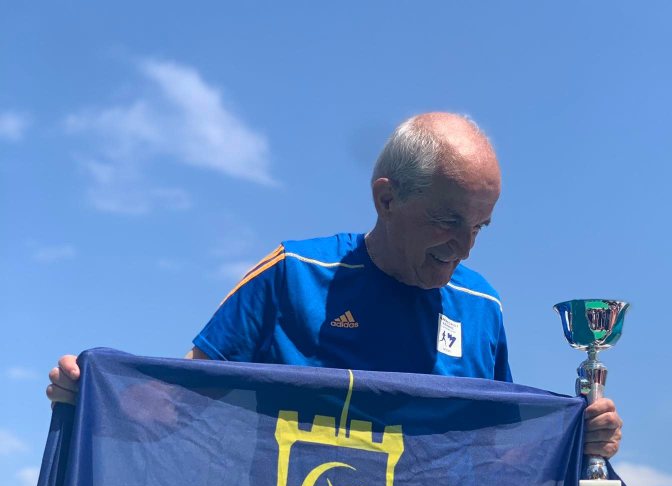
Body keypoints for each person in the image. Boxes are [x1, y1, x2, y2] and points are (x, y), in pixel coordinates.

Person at [47, 112, 622, 458]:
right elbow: (178, 407)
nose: (464, 246)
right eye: (448, 220)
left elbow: (495, 454)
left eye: (479, 227)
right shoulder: (291, 273)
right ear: (386, 198)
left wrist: (577, 441)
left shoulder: (482, 306)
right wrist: (97, 393)